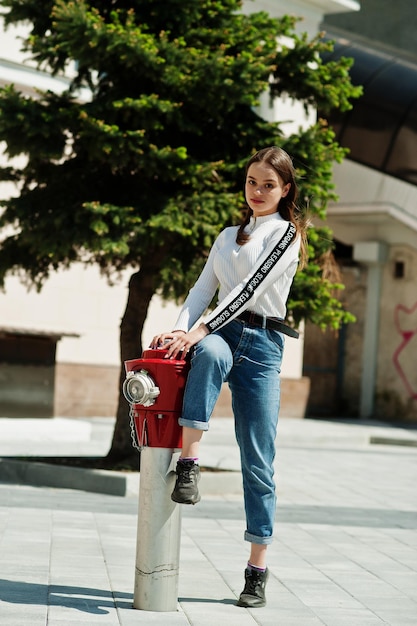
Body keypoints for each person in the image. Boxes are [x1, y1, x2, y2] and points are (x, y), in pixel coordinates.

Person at [151, 146, 307, 609]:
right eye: (251, 182)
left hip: (263, 345)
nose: (257, 192)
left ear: (285, 190)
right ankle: (190, 462)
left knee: (259, 461)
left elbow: (245, 291)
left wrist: (197, 330)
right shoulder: (226, 236)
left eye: (268, 185)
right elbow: (203, 289)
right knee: (209, 354)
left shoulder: (287, 235)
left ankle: (256, 568)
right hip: (224, 334)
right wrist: (182, 328)